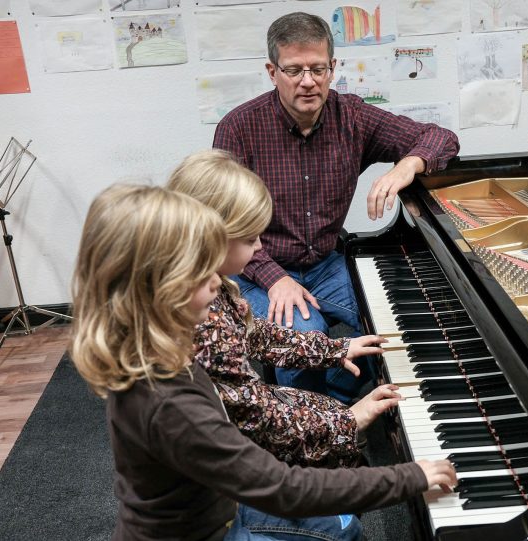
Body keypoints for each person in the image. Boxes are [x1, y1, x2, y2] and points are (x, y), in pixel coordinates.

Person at [69, 184, 457, 540]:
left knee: (343, 520)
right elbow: (281, 486)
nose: (215, 282)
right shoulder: (169, 401)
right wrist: (409, 476)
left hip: (218, 500)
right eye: (200, 270)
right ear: (154, 286)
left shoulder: (158, 346)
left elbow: (253, 341)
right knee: (344, 531)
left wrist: (334, 353)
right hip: (208, 529)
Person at [213, 11, 460, 400]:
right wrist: (276, 279)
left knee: (396, 320)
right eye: (294, 70)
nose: (308, 81)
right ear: (272, 71)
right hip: (260, 268)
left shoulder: (353, 117)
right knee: (304, 336)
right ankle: (308, 434)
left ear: (333, 67)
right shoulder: (238, 127)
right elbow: (225, 226)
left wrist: (408, 165)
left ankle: (334, 408)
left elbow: (439, 136)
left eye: (318, 69)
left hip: (328, 263)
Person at [168, 149, 397, 468]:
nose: (261, 247)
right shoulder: (200, 319)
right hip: (219, 469)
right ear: (210, 238)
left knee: (330, 421)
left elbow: (255, 335)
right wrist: (347, 421)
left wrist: (333, 350)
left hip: (236, 423)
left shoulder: (205, 281)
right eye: (250, 239)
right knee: (347, 469)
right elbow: (255, 416)